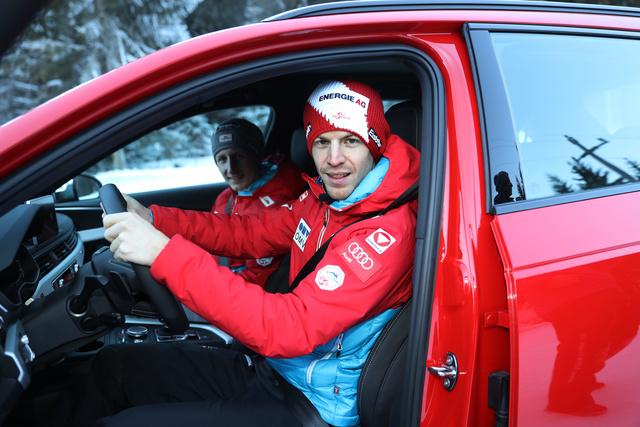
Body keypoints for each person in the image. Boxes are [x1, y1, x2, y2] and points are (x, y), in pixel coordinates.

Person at [88, 80, 420, 427]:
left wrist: (162, 254)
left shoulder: (387, 234)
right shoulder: (324, 199)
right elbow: (248, 232)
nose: (334, 159)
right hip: (276, 368)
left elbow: (290, 327)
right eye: (323, 142)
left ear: (373, 145)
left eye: (350, 141)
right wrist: (156, 219)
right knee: (114, 368)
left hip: (313, 403)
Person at [209, 118, 305, 288]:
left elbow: (260, 276)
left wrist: (208, 288)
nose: (231, 169)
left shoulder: (279, 205)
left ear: (256, 156)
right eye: (222, 159)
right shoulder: (226, 198)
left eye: (239, 156)